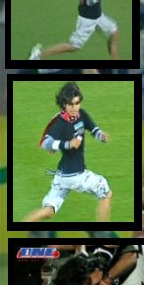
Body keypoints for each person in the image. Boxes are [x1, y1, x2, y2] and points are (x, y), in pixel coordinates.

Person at [21, 82, 112, 222]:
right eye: (71, 104)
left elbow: (93, 128)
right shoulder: (60, 123)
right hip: (76, 175)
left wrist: (101, 136)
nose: (75, 108)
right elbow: (45, 143)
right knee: (106, 193)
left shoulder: (81, 115)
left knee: (49, 211)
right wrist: (67, 144)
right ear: (64, 104)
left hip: (61, 176)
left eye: (77, 103)